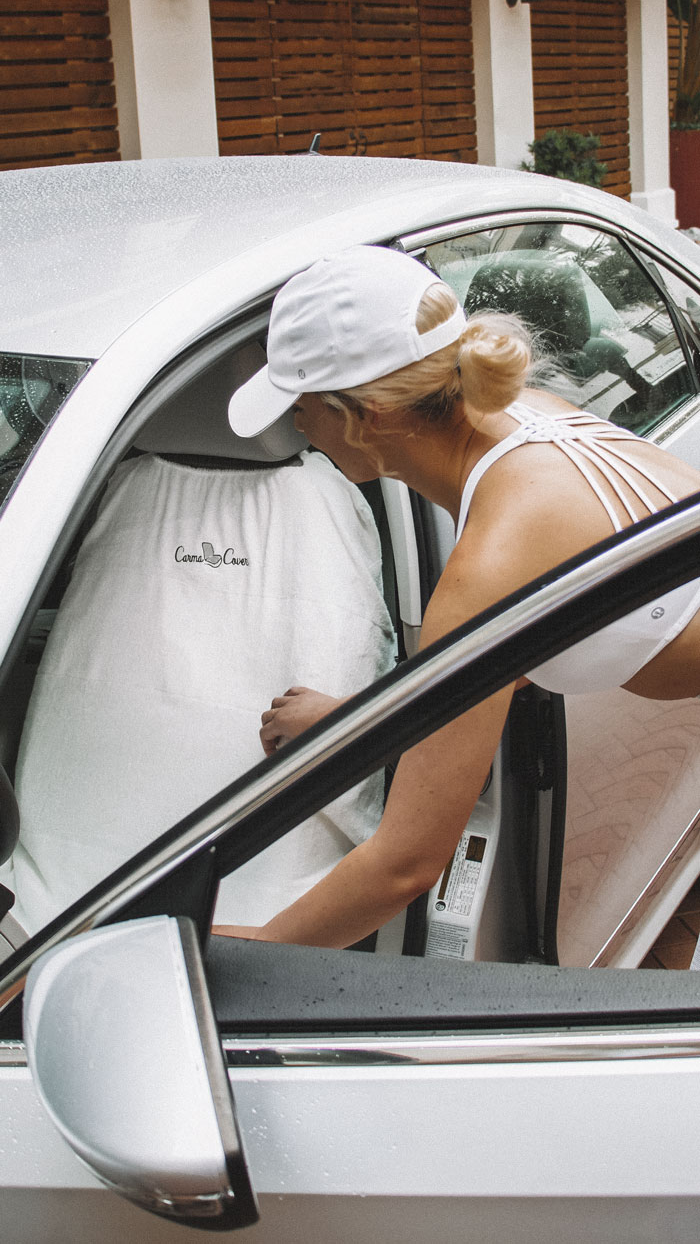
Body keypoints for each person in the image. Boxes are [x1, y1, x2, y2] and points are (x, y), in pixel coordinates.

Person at [223, 244, 700, 950]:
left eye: (301, 402)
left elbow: (404, 865)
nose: (294, 423)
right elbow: (479, 675)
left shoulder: (493, 561)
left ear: (369, 417)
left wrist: (236, 957)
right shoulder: (511, 414)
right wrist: (360, 718)